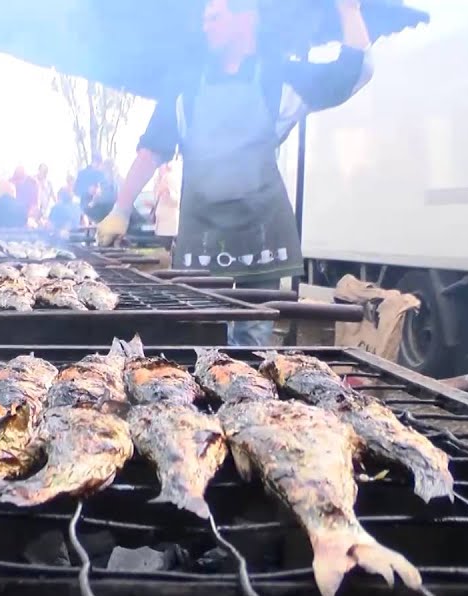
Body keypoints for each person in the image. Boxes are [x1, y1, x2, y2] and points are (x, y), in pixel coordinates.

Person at [96, 0, 372, 346]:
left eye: (215, 17)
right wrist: (120, 210)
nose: (206, 26)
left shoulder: (278, 78)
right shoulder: (186, 85)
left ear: (247, 19)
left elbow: (353, 72)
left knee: (252, 335)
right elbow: (151, 150)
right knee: (198, 333)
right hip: (203, 234)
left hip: (261, 231)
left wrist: (349, 12)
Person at [153, 161, 182, 246]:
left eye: (161, 165)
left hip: (170, 226)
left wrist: (168, 192)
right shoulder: (157, 180)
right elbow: (158, 200)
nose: (159, 168)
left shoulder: (172, 178)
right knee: (164, 248)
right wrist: (152, 204)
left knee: (170, 248)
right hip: (160, 225)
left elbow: (178, 201)